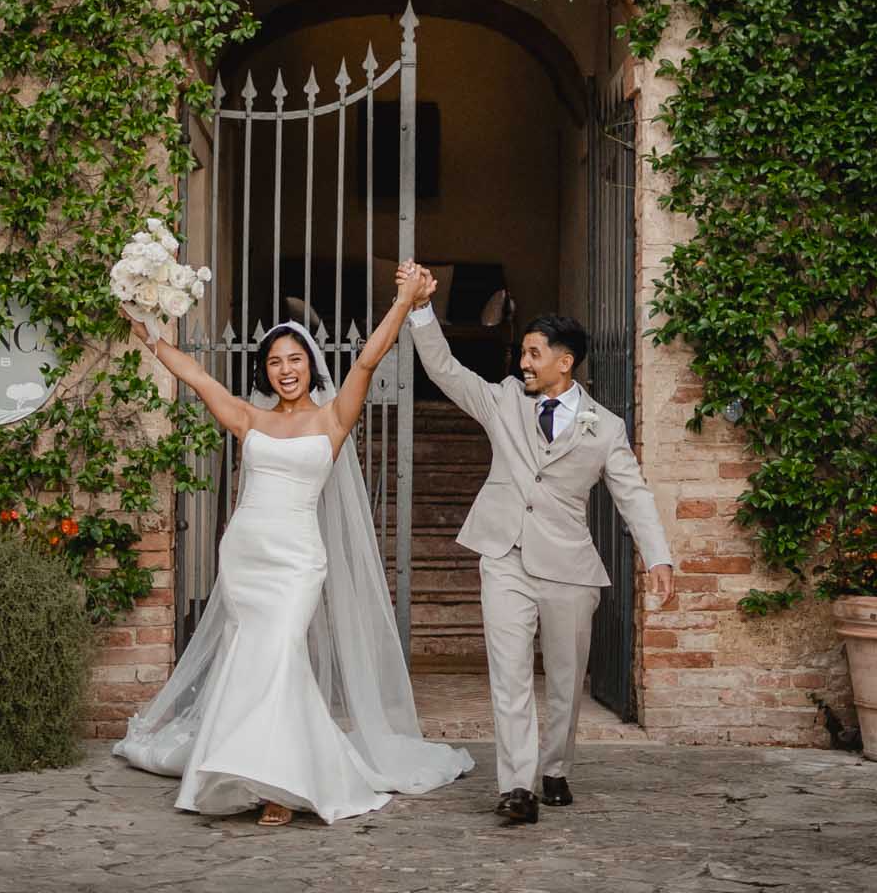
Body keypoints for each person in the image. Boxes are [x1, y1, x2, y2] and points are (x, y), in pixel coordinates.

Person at [112, 263, 472, 824]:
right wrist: (148, 333)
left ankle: (282, 783)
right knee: (251, 657)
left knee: (281, 652)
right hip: (247, 556)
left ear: (311, 365)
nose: (285, 370)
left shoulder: (333, 419)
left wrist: (402, 303)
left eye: (295, 359)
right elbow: (198, 379)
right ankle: (252, 770)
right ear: (265, 370)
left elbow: (371, 359)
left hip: (298, 558)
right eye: (275, 361)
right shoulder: (249, 418)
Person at [399, 263, 674, 825]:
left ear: (563, 362)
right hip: (503, 555)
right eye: (522, 354)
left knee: (567, 682)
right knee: (509, 673)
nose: (522, 362)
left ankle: (555, 768)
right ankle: (517, 786)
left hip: (570, 567)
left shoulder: (606, 427)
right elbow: (447, 370)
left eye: (532, 354)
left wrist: (659, 554)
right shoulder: (502, 400)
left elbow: (635, 494)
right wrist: (420, 309)